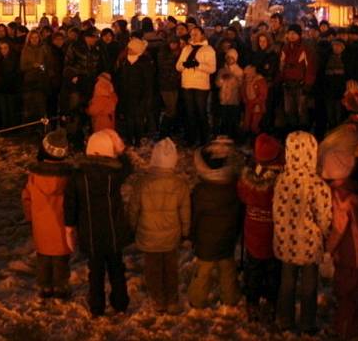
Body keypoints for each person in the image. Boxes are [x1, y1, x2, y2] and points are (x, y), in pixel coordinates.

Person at [64, 129, 132, 318]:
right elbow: (129, 167)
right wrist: (121, 148)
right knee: (117, 269)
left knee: (95, 272)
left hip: (91, 232)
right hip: (113, 232)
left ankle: (97, 306)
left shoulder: (78, 175)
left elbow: (70, 202)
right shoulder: (114, 174)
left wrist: (69, 226)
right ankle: (120, 303)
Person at [273, 130, 332, 334]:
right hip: (309, 244)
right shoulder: (318, 185)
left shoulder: (282, 180)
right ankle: (307, 323)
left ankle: (285, 320)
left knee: (287, 282)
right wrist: (325, 233)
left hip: (286, 242)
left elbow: (276, 210)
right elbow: (324, 216)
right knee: (309, 285)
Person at [322, 144, 358, 340]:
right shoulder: (357, 191)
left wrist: (326, 249)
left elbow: (338, 228)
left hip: (350, 255)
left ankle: (344, 331)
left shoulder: (339, 198)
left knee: (346, 295)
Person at [128, 138, 190, 314]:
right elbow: (185, 211)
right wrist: (185, 231)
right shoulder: (180, 184)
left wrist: (132, 228)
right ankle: (172, 300)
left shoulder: (142, 183)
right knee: (171, 268)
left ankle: (158, 300)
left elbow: (133, 209)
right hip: (171, 237)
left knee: (153, 269)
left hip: (149, 236)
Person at [187, 137, 242, 309]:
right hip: (227, 238)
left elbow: (193, 217)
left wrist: (192, 235)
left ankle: (197, 299)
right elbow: (239, 214)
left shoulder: (200, 191)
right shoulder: (235, 189)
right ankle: (230, 298)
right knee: (228, 272)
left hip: (205, 241)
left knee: (202, 273)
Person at [236, 133, 283, 323]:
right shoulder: (280, 182)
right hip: (273, 235)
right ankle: (272, 301)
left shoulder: (248, 181)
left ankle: (252, 301)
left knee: (253, 270)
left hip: (253, 234)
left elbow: (241, 194)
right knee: (273, 271)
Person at [22, 129, 73, 299]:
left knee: (43, 257)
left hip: (41, 225)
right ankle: (61, 286)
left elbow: (26, 197)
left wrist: (30, 217)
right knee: (61, 259)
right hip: (62, 224)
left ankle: (45, 286)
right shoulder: (68, 177)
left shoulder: (34, 176)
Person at [176, 26, 216, 147]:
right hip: (187, 84)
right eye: (192, 34)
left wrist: (198, 65)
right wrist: (184, 65)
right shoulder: (186, 49)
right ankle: (191, 138)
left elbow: (212, 69)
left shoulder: (208, 49)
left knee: (201, 112)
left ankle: (204, 138)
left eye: (196, 34)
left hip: (201, 86)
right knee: (190, 112)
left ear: (202, 35)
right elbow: (177, 66)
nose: (193, 36)